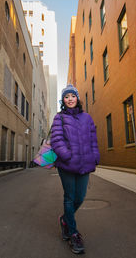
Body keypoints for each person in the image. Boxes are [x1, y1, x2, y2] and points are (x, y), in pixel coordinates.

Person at [51, 84, 100, 254]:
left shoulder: (87, 118)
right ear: (63, 100)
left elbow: (93, 139)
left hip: (85, 163)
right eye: (66, 96)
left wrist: (95, 156)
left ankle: (65, 220)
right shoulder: (59, 118)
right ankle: (73, 233)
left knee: (80, 197)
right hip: (66, 165)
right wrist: (67, 156)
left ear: (77, 98)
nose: (70, 99)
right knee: (70, 197)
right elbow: (56, 140)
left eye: (73, 96)